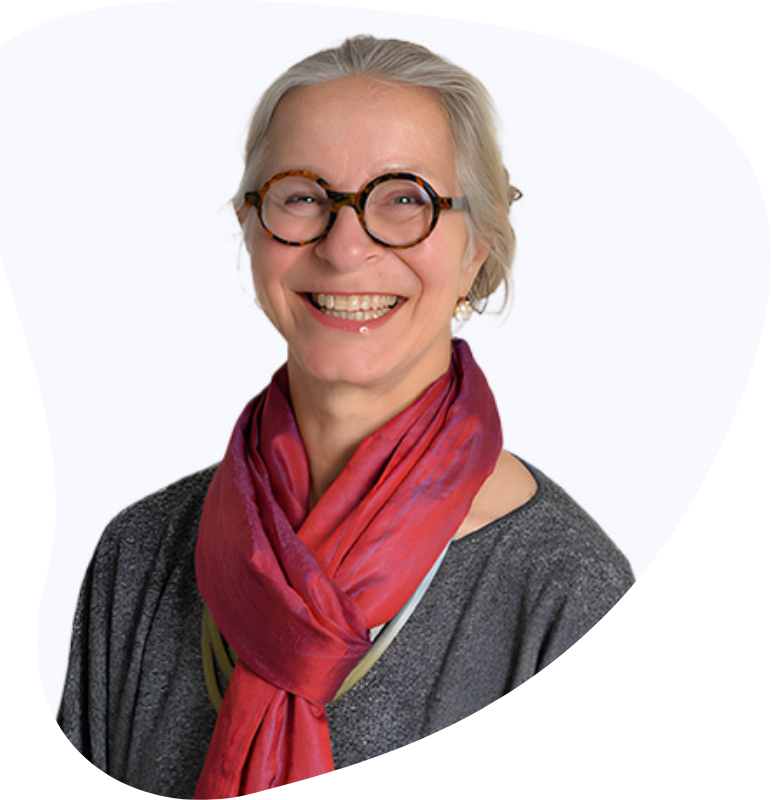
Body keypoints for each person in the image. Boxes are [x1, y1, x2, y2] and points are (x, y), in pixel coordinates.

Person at [58, 36, 634, 799]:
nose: (345, 246)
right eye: (302, 196)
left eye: (405, 199)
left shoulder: (566, 592)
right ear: (251, 225)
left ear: (477, 247)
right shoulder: (141, 554)